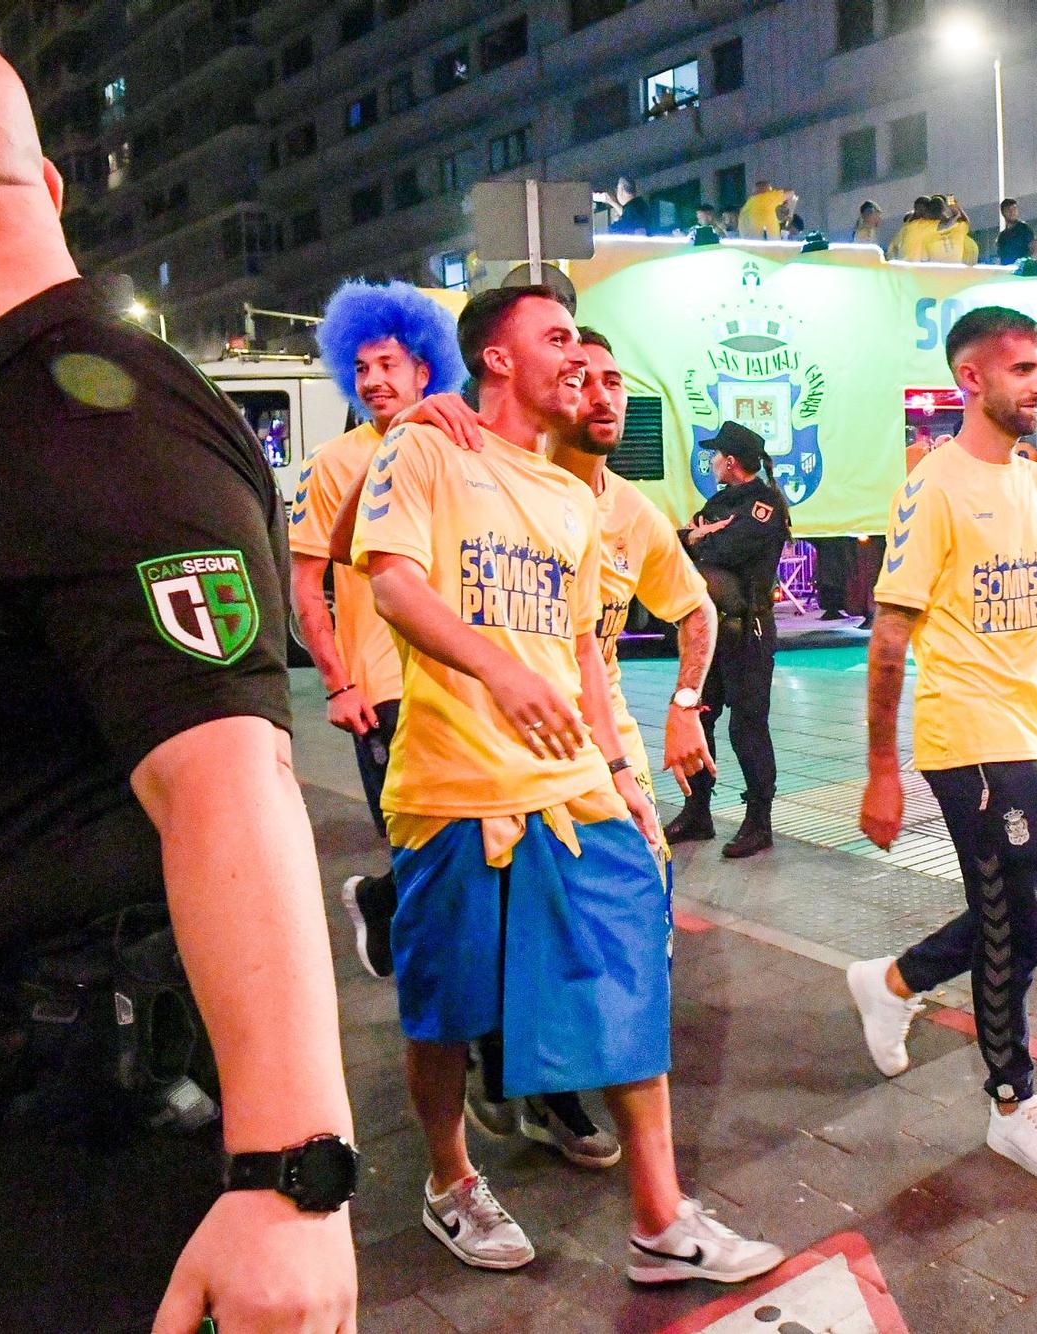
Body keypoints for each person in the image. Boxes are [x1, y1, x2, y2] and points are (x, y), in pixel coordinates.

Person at [0, 20, 356, 1331]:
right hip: (8, 1078)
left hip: (97, 1102)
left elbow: (230, 776)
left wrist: (290, 1176)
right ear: (42, 187)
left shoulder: (89, 414)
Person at [352, 284, 783, 1282]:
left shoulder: (574, 498)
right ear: (496, 360)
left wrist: (623, 770)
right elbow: (393, 583)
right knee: (447, 1010)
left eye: (590, 359)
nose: (578, 366)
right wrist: (498, 670)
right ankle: (450, 1178)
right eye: (555, 344)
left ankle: (658, 1216)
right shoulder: (426, 449)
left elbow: (582, 651)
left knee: (631, 962)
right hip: (454, 783)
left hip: (571, 783)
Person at [850, 306, 1037, 1188]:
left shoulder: (1032, 481)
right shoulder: (933, 485)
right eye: (1021, 368)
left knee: (1035, 917)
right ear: (970, 381)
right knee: (1017, 930)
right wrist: (880, 773)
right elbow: (888, 639)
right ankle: (1013, 1102)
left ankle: (894, 983)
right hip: (971, 740)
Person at [295, 281, 465, 984]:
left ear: (425, 368)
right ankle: (441, 1007)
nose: (372, 381)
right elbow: (307, 585)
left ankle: (385, 902)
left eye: (387, 365)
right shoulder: (331, 466)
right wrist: (339, 682)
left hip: (457, 677)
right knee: (416, 843)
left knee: (463, 845)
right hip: (383, 687)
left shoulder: (460, 444)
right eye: (361, 368)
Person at [665, 423, 793, 859]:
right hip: (711, 631)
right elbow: (683, 546)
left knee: (748, 726)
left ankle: (759, 821)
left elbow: (721, 552)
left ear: (732, 461)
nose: (712, 461)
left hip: (749, 631)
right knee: (699, 717)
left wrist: (699, 538)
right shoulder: (721, 501)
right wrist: (698, 536)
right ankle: (697, 810)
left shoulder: (765, 504)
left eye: (716, 455)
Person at [889, 196, 937, 262]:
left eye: (921, 210)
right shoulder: (909, 226)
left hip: (924, 264)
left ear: (928, 209)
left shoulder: (933, 224)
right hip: (908, 264)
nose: (918, 212)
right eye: (916, 209)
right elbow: (894, 246)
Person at [996, 197, 1034, 266]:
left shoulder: (1024, 229)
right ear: (1003, 213)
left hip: (1022, 271)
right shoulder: (1002, 237)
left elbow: (1035, 249)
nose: (1012, 212)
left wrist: (1027, 265)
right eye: (1009, 209)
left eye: (1014, 209)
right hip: (1007, 273)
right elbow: (1000, 258)